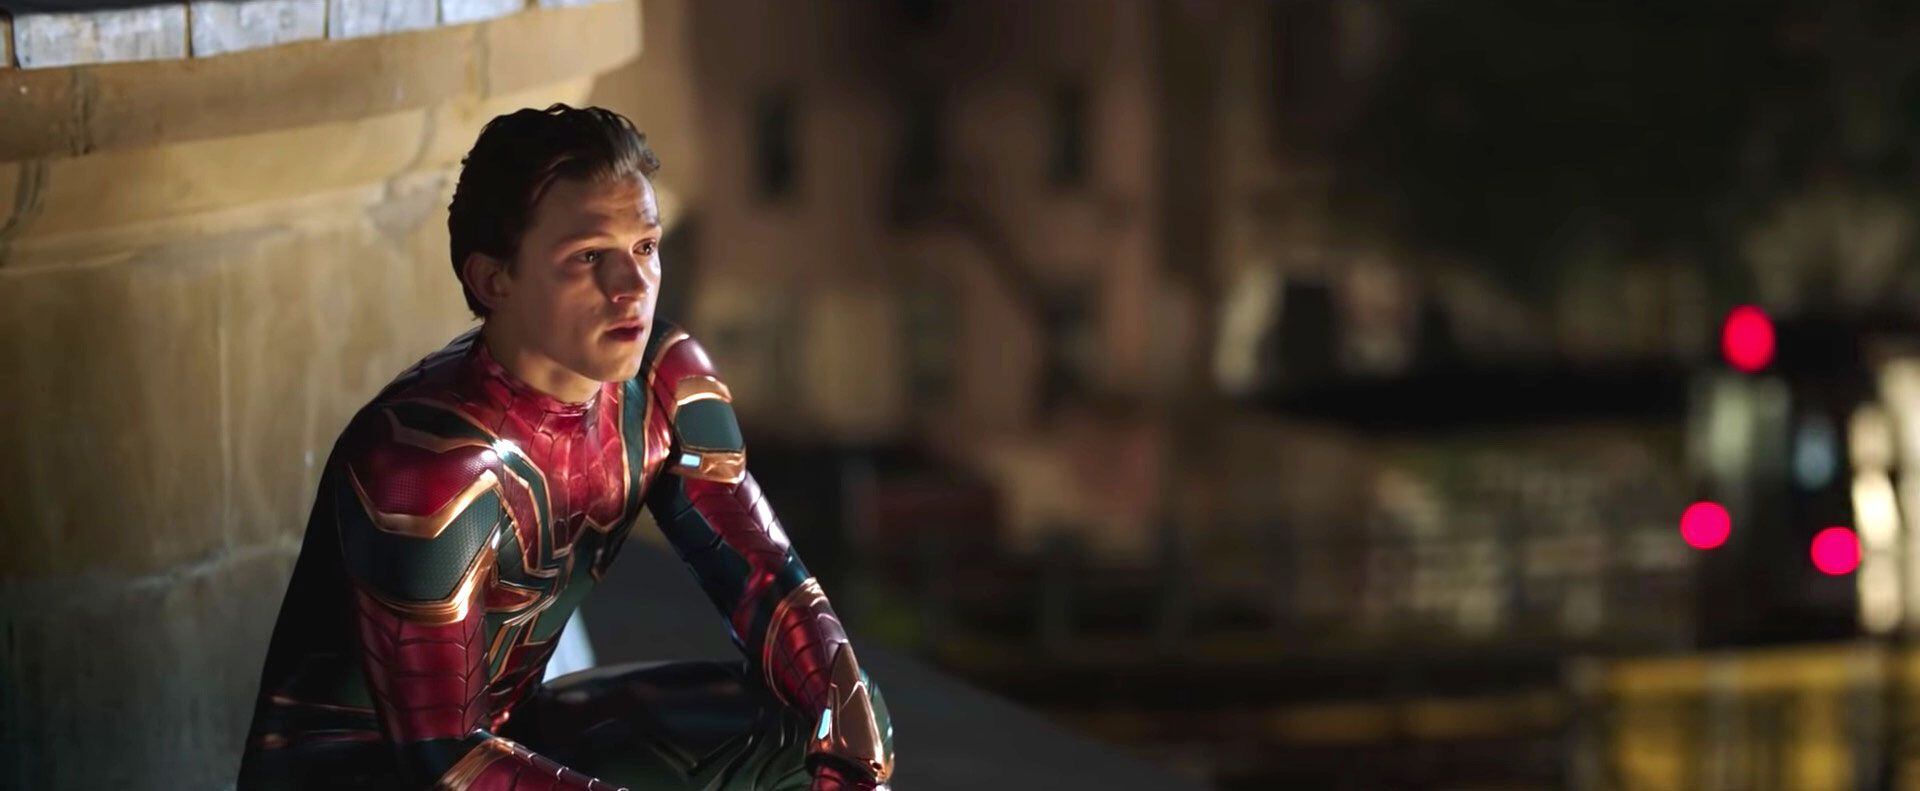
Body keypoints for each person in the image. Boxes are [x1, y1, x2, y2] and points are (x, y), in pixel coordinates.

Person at [236, 104, 894, 790]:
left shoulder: (665, 384)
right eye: (589, 257)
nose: (633, 287)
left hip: (509, 735)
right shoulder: (424, 466)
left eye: (645, 247)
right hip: (370, 775)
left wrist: (851, 735)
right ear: (493, 280)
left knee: (824, 716)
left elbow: (766, 580)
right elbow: (443, 759)